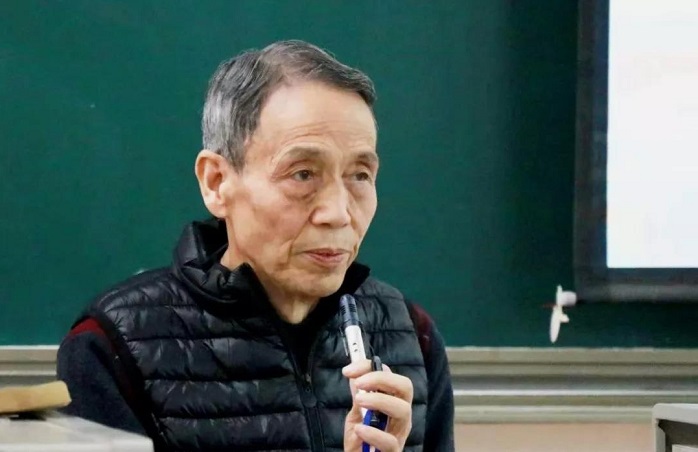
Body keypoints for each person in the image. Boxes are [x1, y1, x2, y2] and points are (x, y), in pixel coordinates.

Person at [57, 40, 454, 451]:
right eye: (303, 174)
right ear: (217, 183)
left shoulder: (411, 335)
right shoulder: (112, 346)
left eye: (360, 175)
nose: (338, 213)